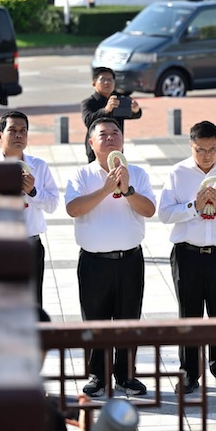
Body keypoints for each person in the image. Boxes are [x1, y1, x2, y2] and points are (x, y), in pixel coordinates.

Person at [157, 121, 216, 395]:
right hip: (188, 254)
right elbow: (164, 214)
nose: (208, 156)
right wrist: (193, 206)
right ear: (191, 145)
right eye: (201, 150)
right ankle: (189, 372)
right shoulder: (178, 173)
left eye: (213, 149)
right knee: (189, 315)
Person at [65, 117, 156, 397]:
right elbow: (74, 209)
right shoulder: (81, 175)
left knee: (128, 319)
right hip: (94, 262)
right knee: (96, 320)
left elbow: (149, 210)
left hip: (129, 259)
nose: (111, 138)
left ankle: (126, 375)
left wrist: (127, 189)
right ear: (91, 143)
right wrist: (105, 189)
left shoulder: (137, 173)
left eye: (116, 133)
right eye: (103, 134)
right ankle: (97, 375)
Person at [0, 111, 59, 307]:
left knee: (33, 306)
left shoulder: (39, 166)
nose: (19, 135)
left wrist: (33, 191)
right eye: (13, 130)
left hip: (31, 245)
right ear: (0, 135)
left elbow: (52, 205)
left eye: (23, 131)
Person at [81, 67, 142, 162]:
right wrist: (106, 110)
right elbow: (88, 120)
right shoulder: (88, 102)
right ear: (94, 83)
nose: (107, 82)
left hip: (116, 146)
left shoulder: (118, 99)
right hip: (97, 148)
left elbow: (132, 114)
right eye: (103, 79)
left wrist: (135, 110)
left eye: (110, 80)